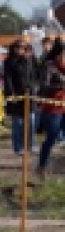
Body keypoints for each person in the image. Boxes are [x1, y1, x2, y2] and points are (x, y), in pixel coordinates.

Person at [36, 39, 65, 179]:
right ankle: (42, 166)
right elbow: (44, 87)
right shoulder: (49, 66)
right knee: (52, 138)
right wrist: (60, 87)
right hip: (52, 108)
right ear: (59, 54)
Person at [4, 40, 37, 155]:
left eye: (22, 47)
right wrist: (10, 93)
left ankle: (30, 145)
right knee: (17, 123)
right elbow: (7, 79)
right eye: (18, 47)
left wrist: (34, 89)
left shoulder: (29, 60)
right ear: (14, 48)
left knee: (31, 121)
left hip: (29, 94)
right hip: (16, 96)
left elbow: (33, 75)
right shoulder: (9, 62)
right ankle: (17, 147)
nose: (20, 50)